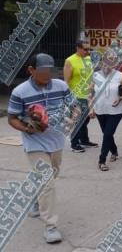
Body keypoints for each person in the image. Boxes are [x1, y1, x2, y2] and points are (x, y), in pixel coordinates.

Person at [7, 53, 69, 243]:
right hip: (34, 142)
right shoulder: (20, 91)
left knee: (53, 175)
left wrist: (72, 117)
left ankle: (36, 200)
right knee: (46, 182)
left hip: (57, 141)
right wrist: (27, 128)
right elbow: (12, 118)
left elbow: (73, 106)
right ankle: (50, 226)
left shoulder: (61, 86)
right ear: (31, 70)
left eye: (50, 70)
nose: (47, 74)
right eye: (43, 70)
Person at [91, 50, 122, 171]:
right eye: (105, 62)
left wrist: (120, 98)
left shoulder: (120, 75)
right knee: (107, 134)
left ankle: (101, 160)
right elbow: (90, 94)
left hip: (116, 111)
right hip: (100, 110)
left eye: (111, 63)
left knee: (108, 133)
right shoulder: (95, 75)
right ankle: (114, 151)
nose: (107, 66)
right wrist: (91, 109)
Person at [64, 40, 98, 152]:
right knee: (78, 120)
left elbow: (91, 76)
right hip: (76, 95)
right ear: (78, 48)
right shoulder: (70, 61)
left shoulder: (89, 59)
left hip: (88, 95)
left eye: (89, 49)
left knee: (86, 119)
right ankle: (74, 144)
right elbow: (66, 81)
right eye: (85, 49)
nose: (88, 51)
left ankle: (84, 140)